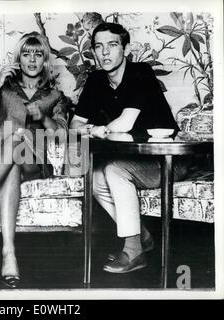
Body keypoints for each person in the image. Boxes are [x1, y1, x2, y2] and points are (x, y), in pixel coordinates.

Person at [70, 22, 189, 273]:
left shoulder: (140, 72)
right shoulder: (96, 80)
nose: (105, 53)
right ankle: (142, 238)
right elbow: (74, 124)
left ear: (125, 48)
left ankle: (134, 252)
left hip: (169, 161)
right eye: (99, 47)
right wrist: (95, 129)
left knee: (112, 170)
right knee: (96, 175)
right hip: (133, 162)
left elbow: (123, 125)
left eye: (112, 45)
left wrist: (94, 129)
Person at [0, 32, 69, 288]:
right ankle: (8, 253)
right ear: (18, 59)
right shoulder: (6, 90)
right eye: (26, 53)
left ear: (45, 59)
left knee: (18, 140)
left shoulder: (54, 96)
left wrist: (43, 118)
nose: (32, 59)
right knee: (10, 164)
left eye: (38, 54)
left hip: (34, 161)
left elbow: (63, 136)